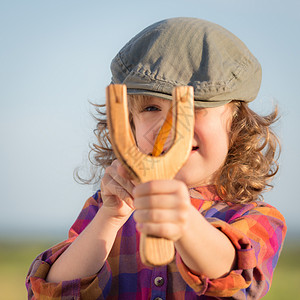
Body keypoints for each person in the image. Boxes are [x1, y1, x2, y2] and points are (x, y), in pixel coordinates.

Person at [26, 17, 286, 299]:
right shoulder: (105, 208)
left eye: (195, 109)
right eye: (150, 108)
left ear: (236, 126)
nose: (171, 127)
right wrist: (109, 218)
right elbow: (53, 291)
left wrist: (182, 219)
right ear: (128, 126)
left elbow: (233, 275)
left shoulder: (256, 218)